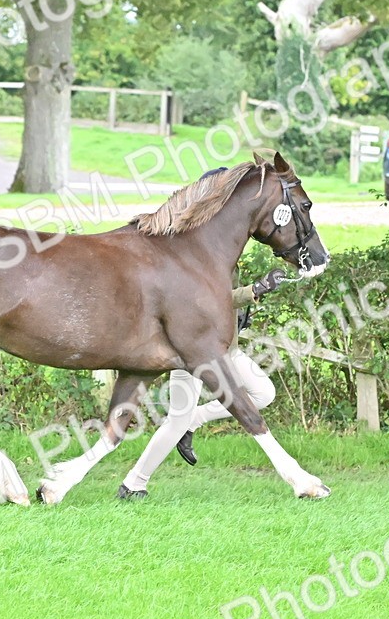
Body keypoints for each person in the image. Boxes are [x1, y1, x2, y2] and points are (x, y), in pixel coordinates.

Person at [117, 164, 292, 500]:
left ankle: (194, 421)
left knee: (263, 394)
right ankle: (134, 483)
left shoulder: (220, 243)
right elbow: (198, 303)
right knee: (175, 422)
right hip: (191, 350)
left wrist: (247, 304)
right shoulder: (191, 248)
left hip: (224, 348)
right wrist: (253, 291)